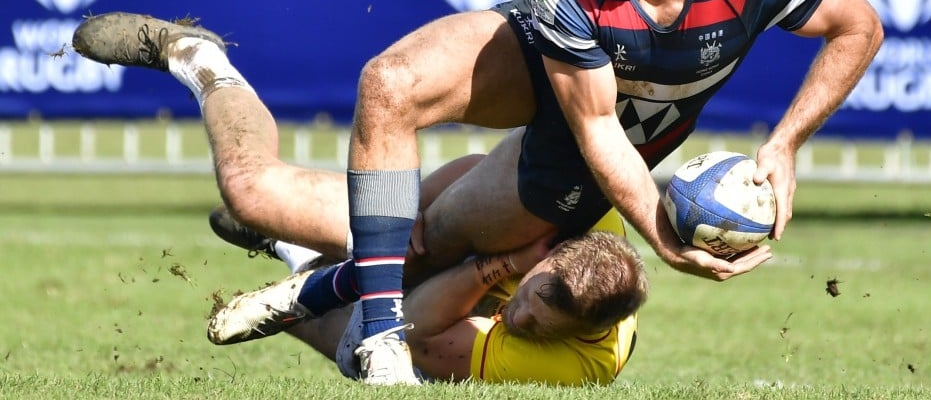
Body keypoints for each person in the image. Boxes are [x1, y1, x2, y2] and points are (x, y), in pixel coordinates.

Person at [72, 0, 883, 385]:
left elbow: (858, 28)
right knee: (386, 83)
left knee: (274, 198)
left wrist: (784, 145)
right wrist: (663, 239)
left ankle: (272, 207)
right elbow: (598, 122)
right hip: (565, 87)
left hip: (564, 165)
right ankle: (377, 336)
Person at [203, 149, 646, 386]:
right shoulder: (582, 212)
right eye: (530, 298)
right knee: (419, 233)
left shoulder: (574, 367)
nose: (521, 318)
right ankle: (289, 235)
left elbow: (420, 332)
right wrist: (415, 215)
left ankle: (291, 260)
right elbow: (478, 172)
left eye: (544, 325)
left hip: (435, 330)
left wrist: (503, 265)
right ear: (553, 254)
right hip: (466, 261)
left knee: (381, 346)